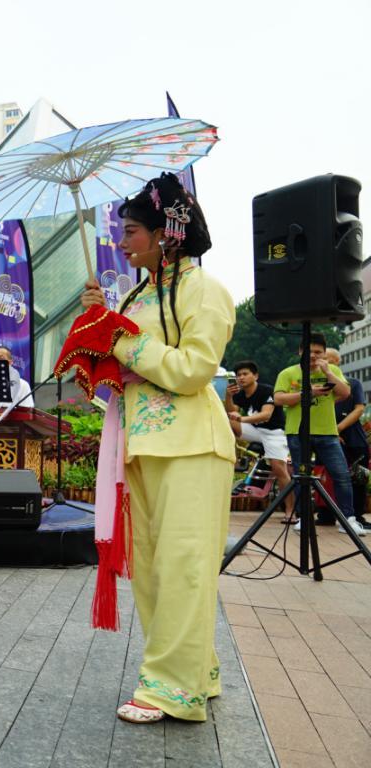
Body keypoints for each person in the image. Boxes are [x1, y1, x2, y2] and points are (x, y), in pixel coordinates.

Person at [74, 172, 235, 724]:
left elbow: (193, 371)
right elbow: (126, 363)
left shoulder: (203, 290)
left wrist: (121, 338)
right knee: (153, 569)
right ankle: (197, 674)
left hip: (192, 444)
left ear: (168, 233)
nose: (122, 242)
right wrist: (98, 333)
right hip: (140, 444)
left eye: (133, 230)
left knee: (184, 567)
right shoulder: (140, 292)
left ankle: (169, 688)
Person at [273, 337, 364, 535]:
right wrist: (308, 393)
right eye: (309, 351)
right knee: (301, 476)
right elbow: (279, 399)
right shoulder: (288, 373)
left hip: (328, 432)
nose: (313, 355)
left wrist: (328, 372)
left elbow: (346, 393)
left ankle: (348, 519)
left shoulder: (332, 370)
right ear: (300, 352)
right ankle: (304, 518)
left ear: (324, 354)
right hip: (298, 432)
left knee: (341, 475)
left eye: (318, 352)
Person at [226, 360, 294, 522]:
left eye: (245, 374)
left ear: (255, 376)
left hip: (275, 433)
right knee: (226, 420)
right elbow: (231, 411)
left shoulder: (266, 390)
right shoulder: (240, 394)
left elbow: (266, 415)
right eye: (238, 375)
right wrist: (228, 396)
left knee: (279, 469)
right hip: (255, 431)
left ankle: (290, 511)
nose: (241, 378)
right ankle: (232, 457)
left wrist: (242, 418)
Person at [327, 348, 371, 528]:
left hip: (353, 439)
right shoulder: (316, 386)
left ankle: (357, 516)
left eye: (328, 360)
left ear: (337, 362)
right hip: (326, 438)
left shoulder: (352, 383)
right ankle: (326, 514)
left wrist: (337, 429)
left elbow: (359, 409)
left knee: (357, 477)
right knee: (328, 476)